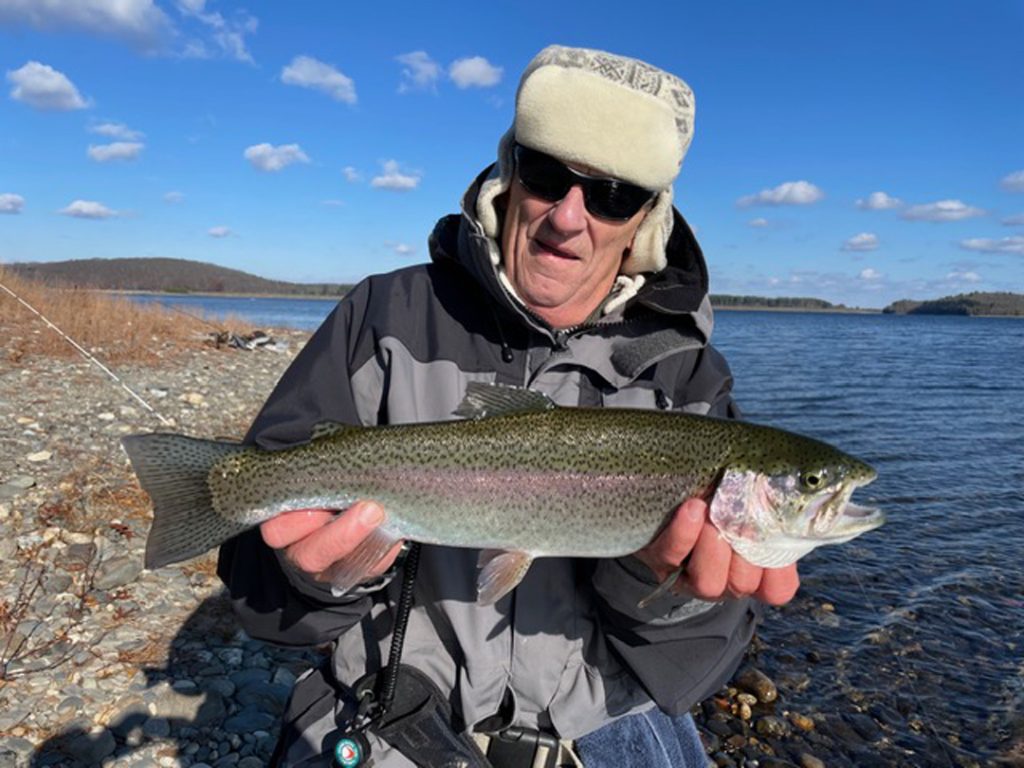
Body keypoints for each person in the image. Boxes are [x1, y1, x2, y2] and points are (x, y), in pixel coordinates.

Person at [218, 44, 799, 768]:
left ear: (648, 218)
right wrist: (311, 580)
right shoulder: (385, 315)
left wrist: (666, 587)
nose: (568, 218)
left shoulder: (689, 380)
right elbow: (254, 586)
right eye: (548, 174)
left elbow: (693, 667)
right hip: (390, 702)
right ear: (508, 170)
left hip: (603, 724)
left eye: (613, 195)